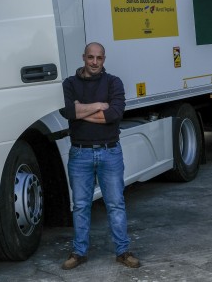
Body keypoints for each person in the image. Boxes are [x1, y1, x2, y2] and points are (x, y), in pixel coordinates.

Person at [59, 42, 140, 270]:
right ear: (83, 57)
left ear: (104, 59)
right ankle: (79, 252)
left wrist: (80, 111)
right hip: (80, 153)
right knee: (81, 205)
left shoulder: (113, 82)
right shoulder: (70, 84)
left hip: (110, 151)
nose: (94, 62)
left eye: (99, 58)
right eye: (90, 57)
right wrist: (97, 105)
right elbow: (66, 111)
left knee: (115, 204)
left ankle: (122, 251)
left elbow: (114, 114)